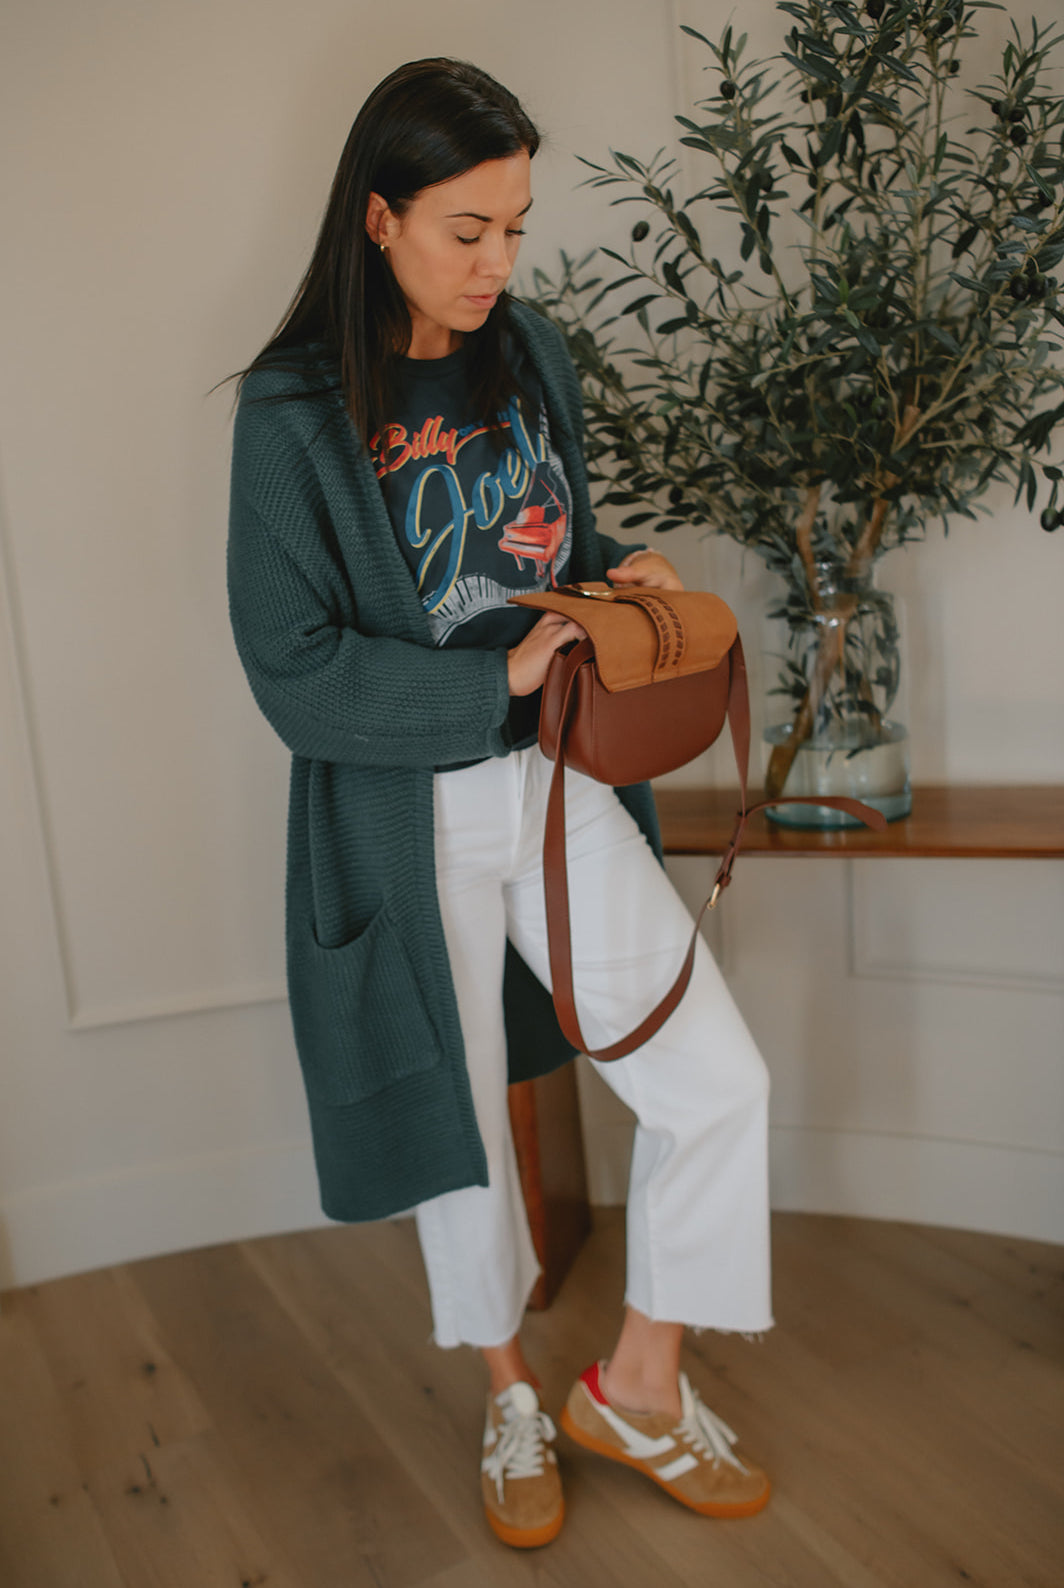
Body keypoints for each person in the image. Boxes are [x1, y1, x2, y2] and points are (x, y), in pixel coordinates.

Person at [227, 56, 773, 1550]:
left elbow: (544, 540)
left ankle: (638, 1387)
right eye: (468, 230)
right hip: (408, 824)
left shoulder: (529, 348)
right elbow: (291, 667)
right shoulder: (291, 412)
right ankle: (511, 1393)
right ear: (380, 217)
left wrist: (615, 577)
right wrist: (491, 679)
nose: (498, 264)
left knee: (717, 1082)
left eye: (515, 228)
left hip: (559, 784)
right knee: (459, 1127)